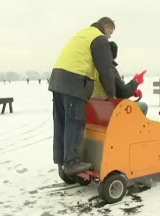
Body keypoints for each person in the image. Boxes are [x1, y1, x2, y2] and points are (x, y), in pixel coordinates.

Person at [48, 17, 121, 176]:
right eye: (110, 32)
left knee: (62, 122)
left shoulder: (83, 34)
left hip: (57, 79)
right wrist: (112, 96)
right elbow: (106, 69)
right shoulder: (99, 38)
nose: (109, 37)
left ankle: (62, 160)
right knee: (75, 121)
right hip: (74, 81)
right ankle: (71, 162)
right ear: (106, 26)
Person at [92, 41, 148, 115]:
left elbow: (114, 89)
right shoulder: (109, 69)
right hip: (111, 111)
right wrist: (136, 81)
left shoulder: (94, 68)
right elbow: (122, 93)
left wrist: (132, 91)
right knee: (143, 106)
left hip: (97, 108)